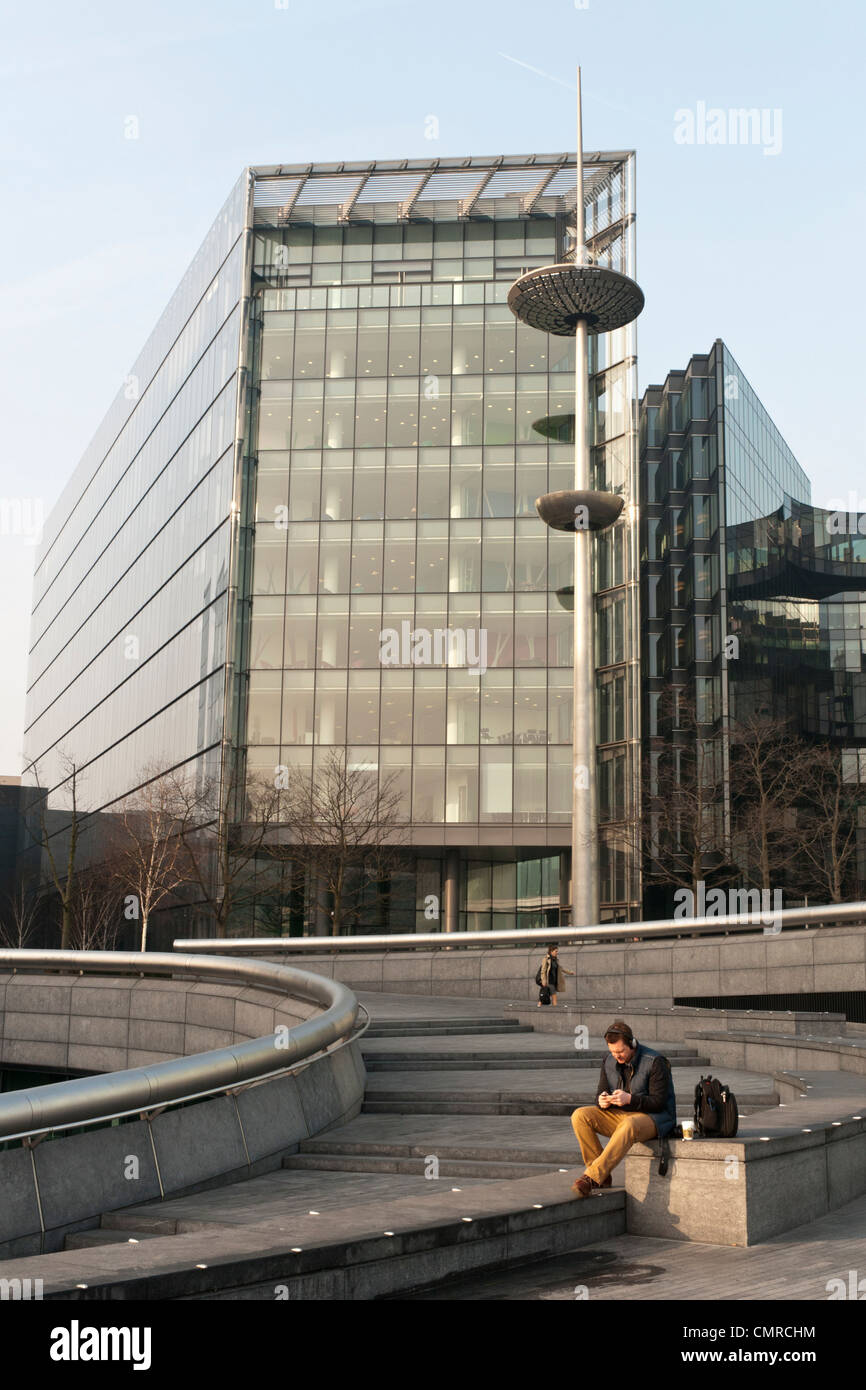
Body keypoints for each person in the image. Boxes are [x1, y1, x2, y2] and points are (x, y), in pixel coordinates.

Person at [570, 1019, 677, 1197]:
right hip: (621, 1115)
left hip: (654, 1118)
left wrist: (630, 1100)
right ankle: (602, 1176)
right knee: (579, 1115)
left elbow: (659, 1102)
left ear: (632, 1044)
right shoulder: (608, 1061)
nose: (617, 1056)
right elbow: (600, 1093)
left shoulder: (655, 1061)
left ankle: (592, 1177)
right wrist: (602, 1101)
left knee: (629, 1125)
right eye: (613, 1052)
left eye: (620, 1051)